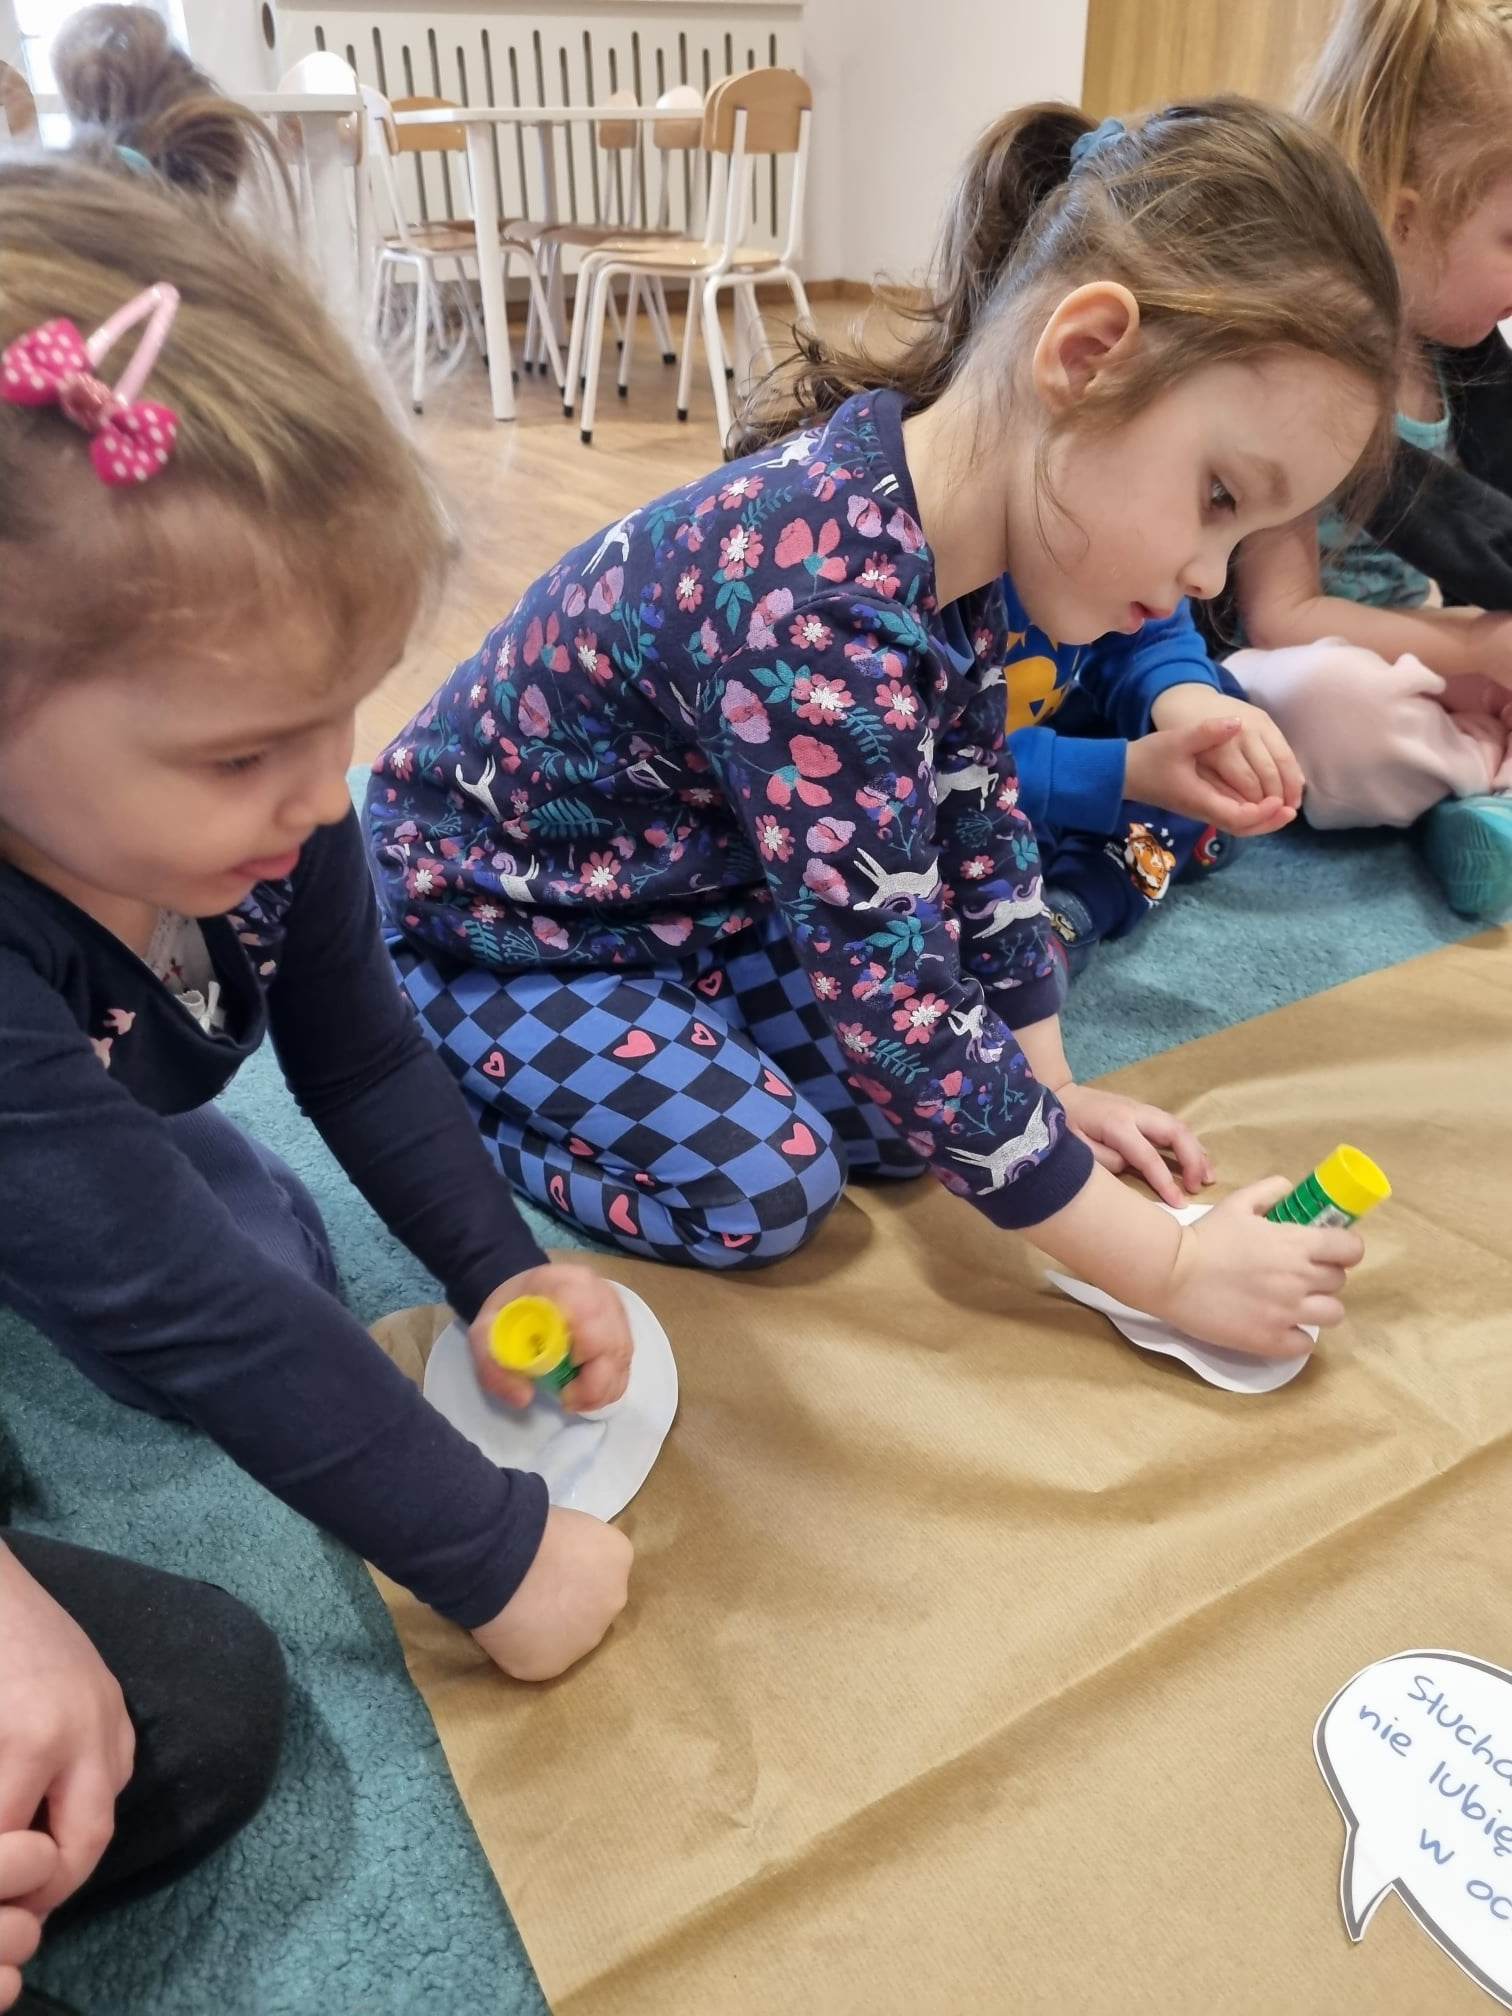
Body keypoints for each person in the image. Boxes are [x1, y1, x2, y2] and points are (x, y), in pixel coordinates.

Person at [367, 97, 1394, 1358]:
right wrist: (1170, 1266)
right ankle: (432, 1054)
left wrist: (1053, 1096)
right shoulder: (814, 609)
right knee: (768, 1186)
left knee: (925, 1125)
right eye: (1219, 497)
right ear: (1086, 356)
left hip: (679, 900)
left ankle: (683, 1036)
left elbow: (979, 825)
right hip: (503, 932)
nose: (1208, 578)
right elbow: (894, 1003)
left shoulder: (947, 542)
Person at [0, 19, 635, 1998]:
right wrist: (492, 1554)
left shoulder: (285, 809)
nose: (319, 795)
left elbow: (359, 1050)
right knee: (198, 1294)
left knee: (252, 1241)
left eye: (338, 722)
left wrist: (500, 1265)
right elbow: (187, 1314)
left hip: (87, 1105)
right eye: (243, 755)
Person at [1232, 0, 1512, 918]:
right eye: (1510, 240)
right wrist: (1476, 648)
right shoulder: (1295, 365)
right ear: (1402, 220)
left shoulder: (1463, 363)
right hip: (1302, 665)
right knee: (1333, 707)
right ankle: (1478, 779)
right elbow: (1280, 617)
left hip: (1426, 656)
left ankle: (1463, 786)